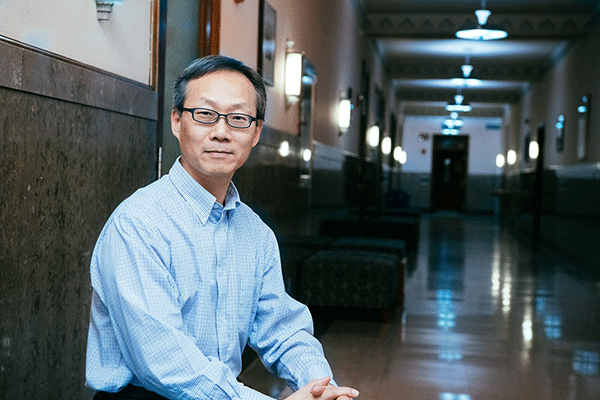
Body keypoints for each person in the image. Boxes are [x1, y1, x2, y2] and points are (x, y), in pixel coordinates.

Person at [85, 55, 359, 400]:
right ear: (176, 121)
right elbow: (165, 362)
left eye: (239, 119)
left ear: (257, 132)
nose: (221, 132)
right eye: (205, 115)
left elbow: (282, 329)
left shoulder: (256, 233)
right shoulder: (138, 224)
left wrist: (323, 389)